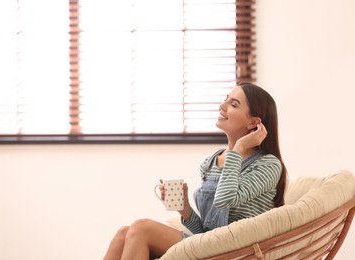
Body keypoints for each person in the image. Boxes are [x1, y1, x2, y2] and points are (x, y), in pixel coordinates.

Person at [103, 82, 287, 260]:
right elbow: (207, 232)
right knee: (123, 233)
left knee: (141, 228)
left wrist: (238, 149)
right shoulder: (210, 163)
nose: (222, 106)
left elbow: (225, 200)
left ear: (253, 123)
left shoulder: (268, 165)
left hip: (236, 251)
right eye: (225, 99)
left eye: (233, 104)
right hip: (210, 245)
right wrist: (185, 210)